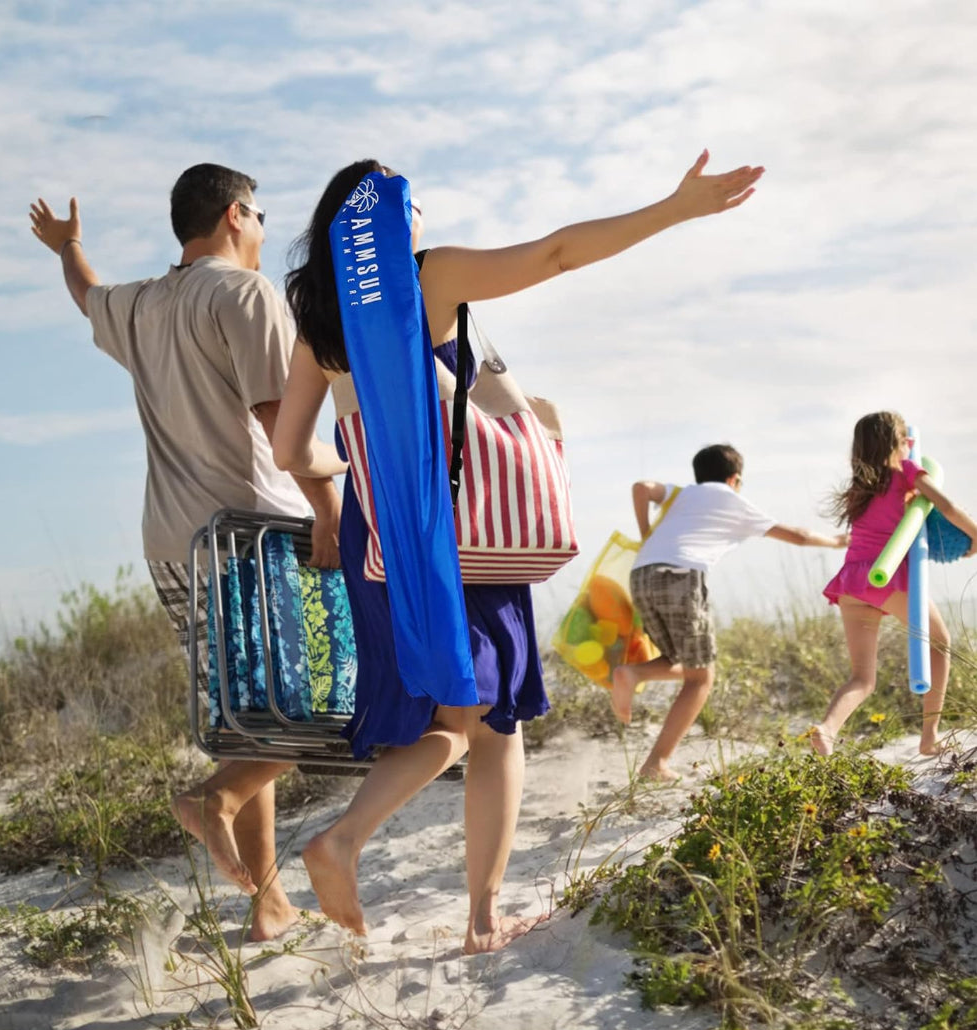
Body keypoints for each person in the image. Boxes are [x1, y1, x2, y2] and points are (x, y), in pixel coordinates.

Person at [273, 151, 764, 952]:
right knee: (494, 724)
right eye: (414, 199)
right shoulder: (425, 277)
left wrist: (364, 462)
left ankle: (349, 841)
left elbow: (293, 449)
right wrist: (673, 209)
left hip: (380, 540)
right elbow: (556, 253)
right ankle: (475, 917)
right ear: (392, 219)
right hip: (457, 533)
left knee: (448, 722)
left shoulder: (322, 320)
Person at [28, 163, 346, 941]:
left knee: (252, 720)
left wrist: (68, 247)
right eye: (262, 215)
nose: (267, 231)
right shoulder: (243, 295)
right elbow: (287, 431)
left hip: (175, 546)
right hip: (256, 534)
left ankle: (267, 902)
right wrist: (333, 516)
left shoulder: (138, 303)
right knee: (335, 700)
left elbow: (84, 295)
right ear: (236, 215)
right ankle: (218, 800)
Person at [611, 444, 847, 780]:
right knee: (701, 678)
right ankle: (655, 762)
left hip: (642, 575)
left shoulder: (682, 494)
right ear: (735, 479)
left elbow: (641, 488)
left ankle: (635, 675)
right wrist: (838, 542)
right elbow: (799, 536)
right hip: (682, 576)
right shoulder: (732, 499)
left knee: (681, 660)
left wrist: (646, 533)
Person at [812, 411, 977, 756]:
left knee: (862, 678)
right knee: (941, 643)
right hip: (885, 576)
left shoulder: (860, 486)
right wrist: (975, 537)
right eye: (905, 440)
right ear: (897, 444)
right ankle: (929, 736)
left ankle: (826, 730)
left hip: (852, 583)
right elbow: (946, 505)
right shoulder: (906, 473)